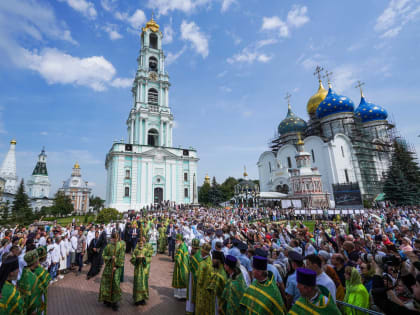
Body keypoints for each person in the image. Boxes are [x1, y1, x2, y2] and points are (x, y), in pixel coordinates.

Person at [98, 232, 125, 311]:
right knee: (106, 282)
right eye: (114, 239)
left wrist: (116, 265)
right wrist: (110, 257)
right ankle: (107, 299)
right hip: (108, 268)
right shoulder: (108, 246)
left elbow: (122, 257)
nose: (115, 240)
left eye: (116, 239)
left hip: (116, 269)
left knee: (115, 284)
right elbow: (103, 255)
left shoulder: (120, 246)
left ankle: (115, 302)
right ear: (112, 239)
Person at [18, 249, 42, 314]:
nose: (39, 261)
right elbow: (26, 297)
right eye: (38, 259)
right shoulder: (28, 276)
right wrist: (32, 310)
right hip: (32, 310)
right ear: (35, 262)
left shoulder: (27, 271)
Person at [131, 237, 152, 306]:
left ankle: (143, 298)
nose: (141, 243)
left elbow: (149, 258)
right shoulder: (136, 250)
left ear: (143, 243)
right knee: (137, 283)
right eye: (139, 242)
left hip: (143, 269)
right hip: (137, 269)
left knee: (143, 283)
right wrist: (136, 258)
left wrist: (144, 258)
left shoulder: (146, 250)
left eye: (142, 242)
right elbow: (132, 259)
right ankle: (137, 299)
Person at [195, 243, 214, 315]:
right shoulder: (210, 260)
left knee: (200, 306)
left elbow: (199, 278)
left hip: (201, 288)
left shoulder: (202, 264)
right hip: (208, 288)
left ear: (203, 252)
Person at [208, 250, 227, 315]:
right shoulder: (216, 269)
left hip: (219, 299)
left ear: (218, 260)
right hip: (214, 298)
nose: (212, 260)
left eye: (213, 259)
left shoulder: (221, 274)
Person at [186, 238, 202, 315]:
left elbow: (191, 266)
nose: (192, 249)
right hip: (193, 276)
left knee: (192, 293)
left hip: (194, 278)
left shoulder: (196, 256)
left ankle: (191, 310)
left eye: (193, 247)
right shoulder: (198, 254)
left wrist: (191, 259)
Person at [34, 246, 51, 315]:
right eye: (45, 255)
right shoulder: (39, 269)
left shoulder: (35, 266)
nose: (47, 256)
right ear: (43, 256)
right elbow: (47, 280)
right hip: (39, 292)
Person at [172, 234, 189, 299]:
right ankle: (180, 295)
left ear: (179, 240)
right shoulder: (183, 245)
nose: (176, 241)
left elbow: (178, 258)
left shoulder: (181, 247)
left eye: (176, 240)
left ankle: (181, 296)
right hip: (181, 265)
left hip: (181, 266)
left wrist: (175, 256)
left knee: (181, 280)